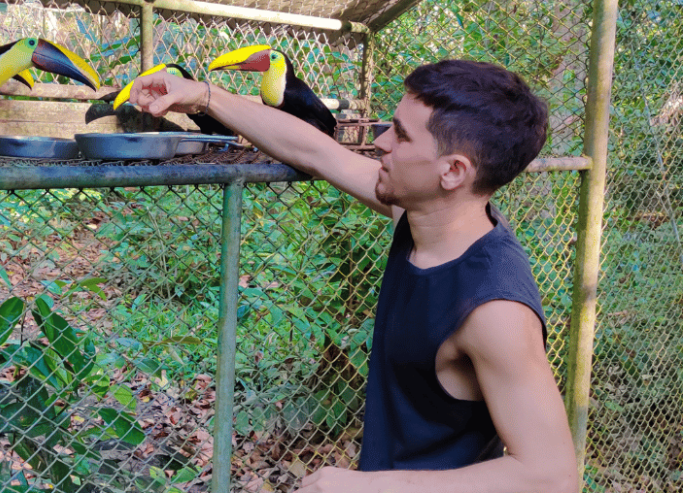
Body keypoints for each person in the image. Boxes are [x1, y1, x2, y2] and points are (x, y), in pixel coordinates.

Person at [126, 59, 578, 492]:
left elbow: (552, 478)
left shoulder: (494, 310)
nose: (380, 142)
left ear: (453, 171)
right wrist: (204, 97)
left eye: (400, 135)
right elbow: (318, 152)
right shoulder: (426, 216)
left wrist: (372, 487)